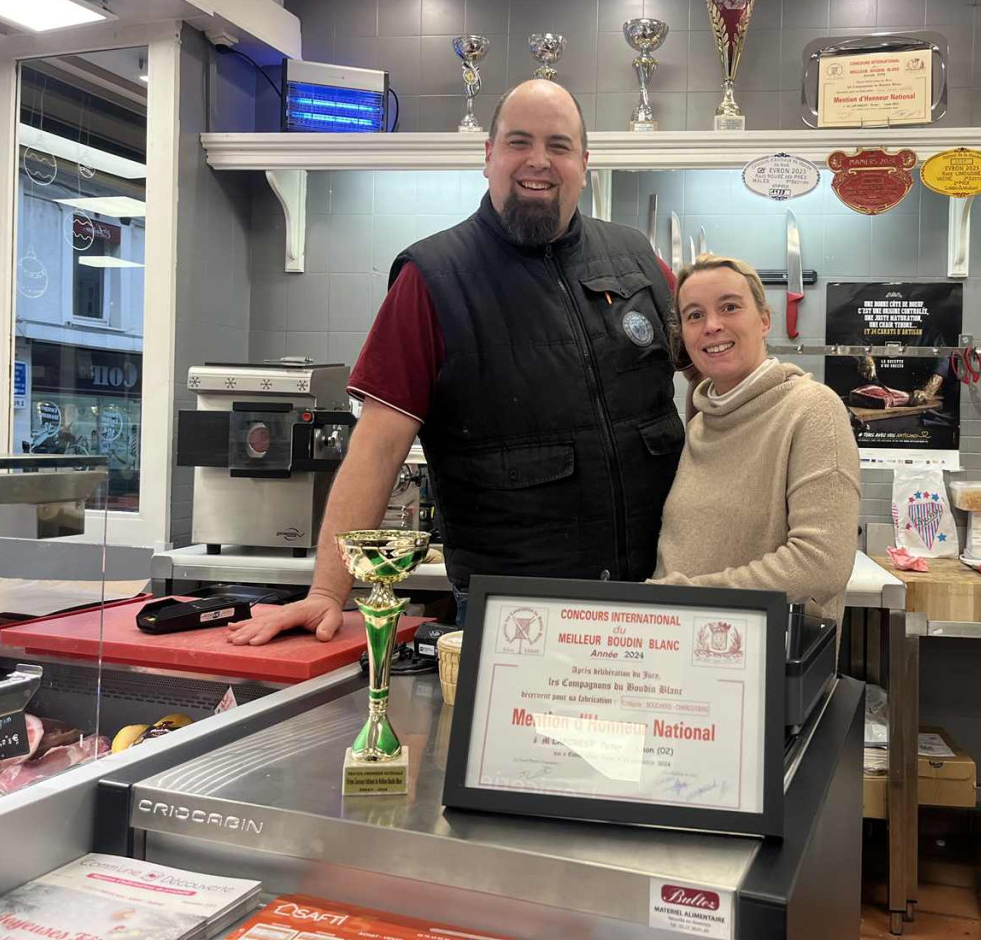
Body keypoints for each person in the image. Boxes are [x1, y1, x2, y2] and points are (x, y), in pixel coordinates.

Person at [228, 78, 684, 645]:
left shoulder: (637, 258)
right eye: (519, 142)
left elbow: (719, 370)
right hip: (518, 617)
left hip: (661, 595)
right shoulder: (433, 279)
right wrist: (326, 593)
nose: (539, 161)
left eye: (559, 145)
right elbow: (378, 446)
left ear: (584, 163)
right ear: (488, 156)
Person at [650, 255, 860, 626]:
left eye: (729, 307)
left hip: (758, 667)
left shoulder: (811, 409)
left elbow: (822, 564)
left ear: (764, 320)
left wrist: (681, 598)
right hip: (681, 653)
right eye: (694, 315)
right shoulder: (702, 422)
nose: (712, 326)